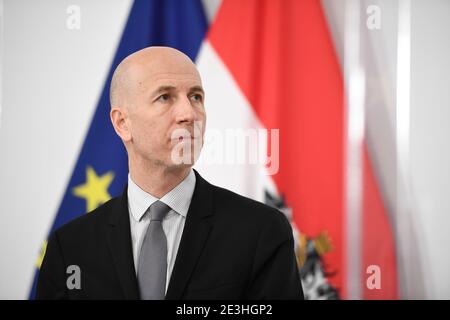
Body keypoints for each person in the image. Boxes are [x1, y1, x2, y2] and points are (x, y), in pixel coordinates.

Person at [36, 47, 304, 300]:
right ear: (122, 123)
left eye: (196, 97)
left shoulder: (261, 231)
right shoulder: (69, 247)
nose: (189, 114)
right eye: (165, 97)